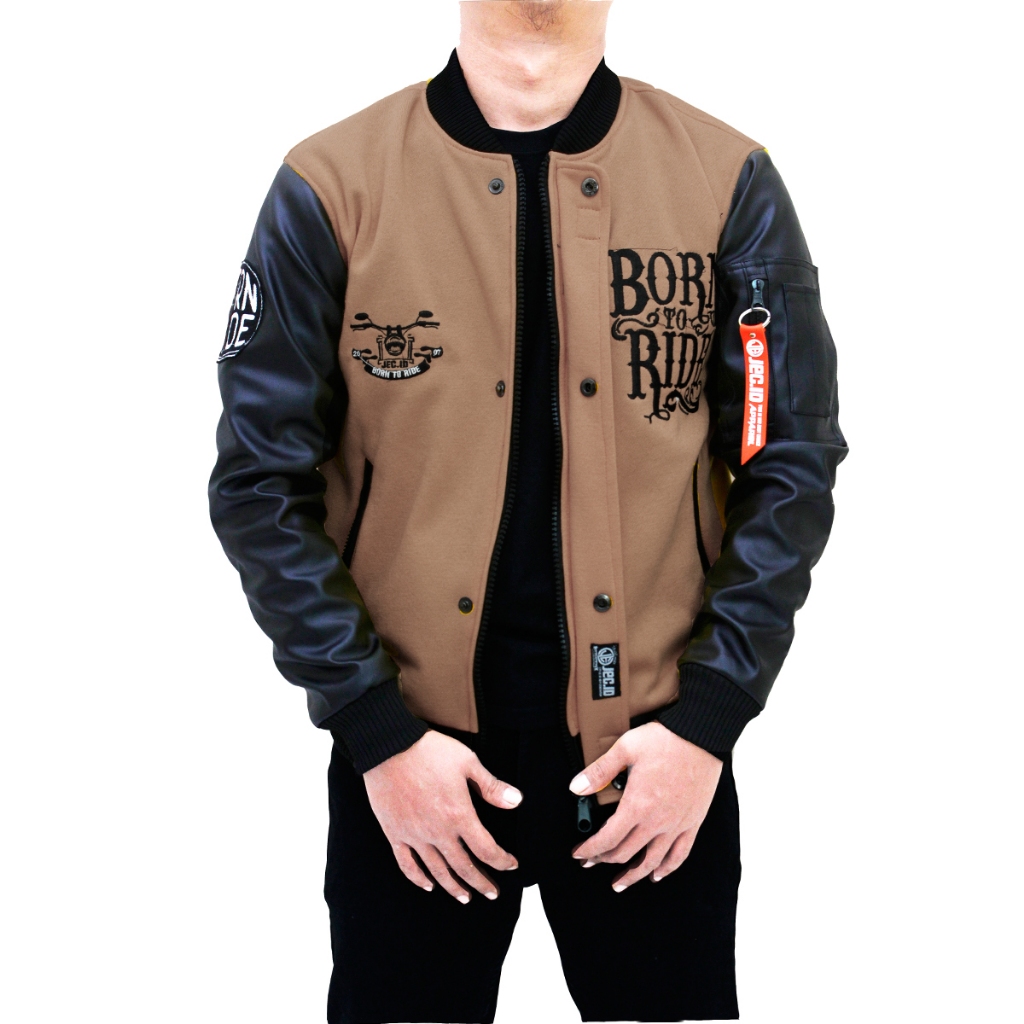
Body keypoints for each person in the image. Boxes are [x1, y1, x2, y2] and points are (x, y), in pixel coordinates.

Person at [209, 1, 846, 1019]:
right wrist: (376, 729)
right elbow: (258, 480)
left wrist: (707, 722)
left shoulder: (727, 180)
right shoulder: (332, 184)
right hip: (413, 769)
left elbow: (788, 461)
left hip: (653, 766)